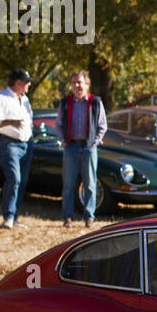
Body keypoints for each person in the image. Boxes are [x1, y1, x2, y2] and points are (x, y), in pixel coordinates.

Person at [55, 70, 107, 229]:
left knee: (90, 184)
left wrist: (95, 141)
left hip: (88, 147)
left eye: (80, 82)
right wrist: (63, 140)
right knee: (68, 184)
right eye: (74, 83)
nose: (77, 85)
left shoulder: (95, 102)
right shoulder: (65, 103)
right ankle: (68, 217)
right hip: (71, 146)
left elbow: (102, 125)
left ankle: (89, 217)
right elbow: (58, 124)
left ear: (87, 84)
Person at [0, 68, 34, 228]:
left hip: (26, 144)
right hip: (8, 143)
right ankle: (8, 215)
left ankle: (14, 217)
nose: (29, 85)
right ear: (18, 83)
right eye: (26, 82)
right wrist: (10, 122)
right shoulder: (0, 97)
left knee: (22, 181)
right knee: (14, 178)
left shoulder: (25, 99)